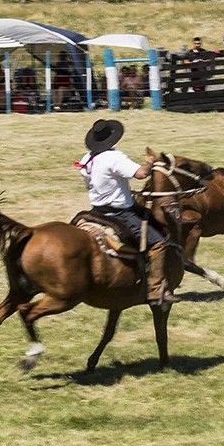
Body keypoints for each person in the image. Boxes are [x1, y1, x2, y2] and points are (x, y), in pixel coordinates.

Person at [75, 119, 173, 306]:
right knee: (158, 243)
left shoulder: (86, 158)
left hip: (96, 211)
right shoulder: (114, 157)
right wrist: (150, 163)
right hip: (120, 213)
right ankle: (155, 289)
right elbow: (140, 174)